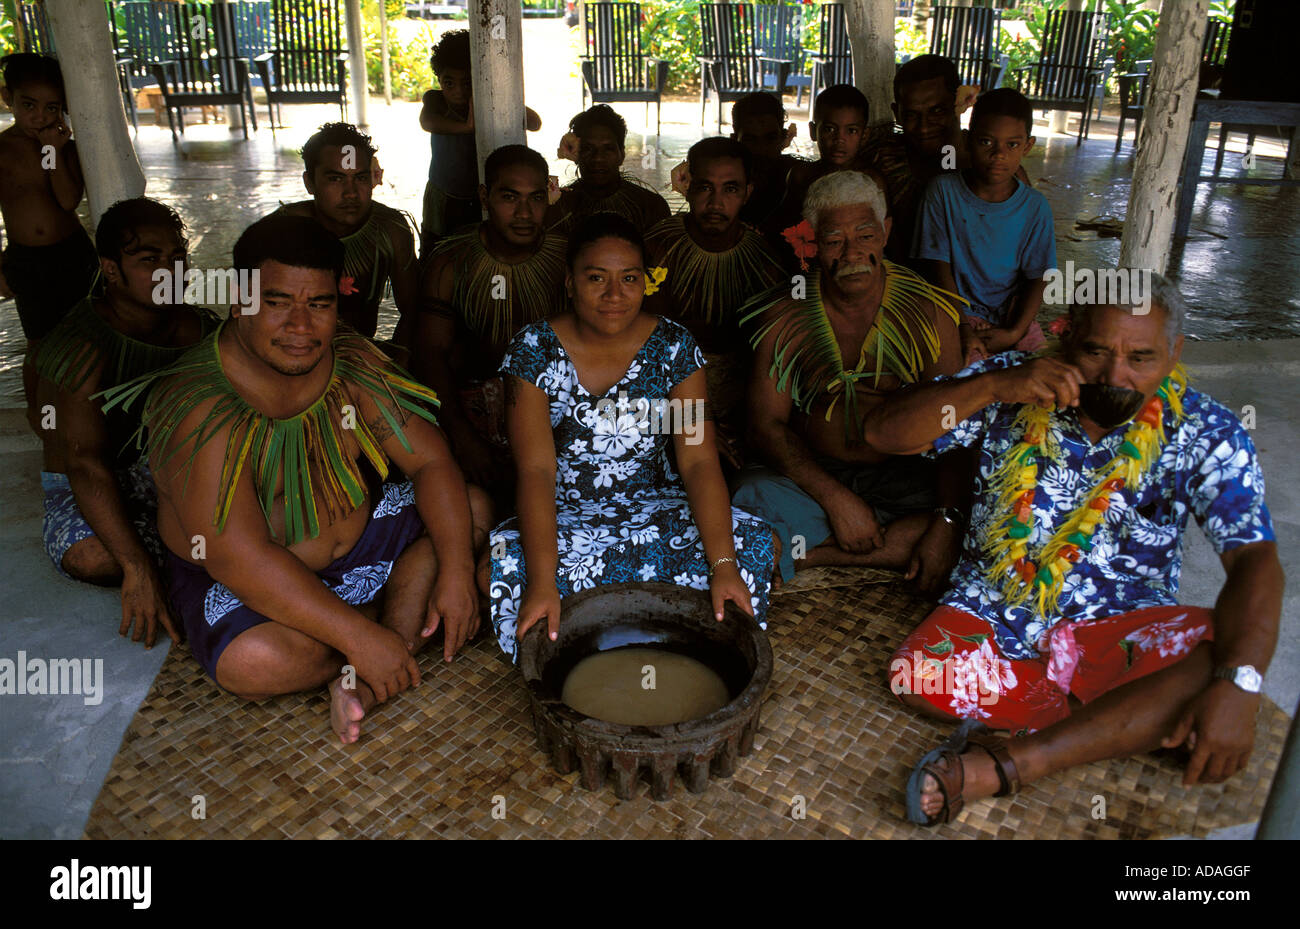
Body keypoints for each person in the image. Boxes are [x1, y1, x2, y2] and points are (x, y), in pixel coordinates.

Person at [860, 274, 1282, 827]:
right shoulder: (1007, 385)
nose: (1115, 375)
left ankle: (1008, 762)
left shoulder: (1206, 431)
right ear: (1064, 336)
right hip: (994, 616)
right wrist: (992, 388)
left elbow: (1255, 560)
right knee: (915, 676)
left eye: (1141, 356)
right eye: (1096, 350)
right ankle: (1111, 726)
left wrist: (1240, 684)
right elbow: (882, 434)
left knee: (1219, 655)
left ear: (1175, 351)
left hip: (1120, 630)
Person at [102, 215, 489, 745]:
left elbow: (430, 461)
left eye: (320, 305)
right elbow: (237, 555)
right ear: (239, 300)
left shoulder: (348, 361)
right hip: (249, 584)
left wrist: (458, 574)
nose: (301, 327)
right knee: (256, 662)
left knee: (473, 508)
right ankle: (382, 628)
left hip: (361, 546)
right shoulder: (198, 405)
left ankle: (371, 667)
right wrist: (357, 633)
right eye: (278, 302)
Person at [484, 212, 775, 662]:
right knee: (502, 571)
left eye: (630, 278)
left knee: (753, 546)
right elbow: (536, 470)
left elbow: (697, 462)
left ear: (645, 282)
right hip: (566, 518)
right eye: (596, 278)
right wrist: (544, 582)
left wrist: (723, 566)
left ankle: (663, 640)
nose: (614, 295)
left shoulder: (676, 348)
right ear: (569, 281)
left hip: (657, 509)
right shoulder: (533, 350)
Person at [733, 170, 967, 586]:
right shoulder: (785, 314)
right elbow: (764, 427)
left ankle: (811, 556)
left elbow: (952, 426)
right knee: (746, 499)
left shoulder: (929, 314)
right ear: (810, 241)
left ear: (886, 232)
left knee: (980, 515)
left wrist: (948, 520)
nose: (851, 253)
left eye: (864, 236)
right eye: (833, 240)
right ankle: (880, 543)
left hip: (906, 481)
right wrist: (836, 498)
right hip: (814, 477)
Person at [34, 198, 218, 647]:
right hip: (86, 484)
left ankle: (181, 546)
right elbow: (84, 465)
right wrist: (137, 569)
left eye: (177, 257)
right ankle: (166, 554)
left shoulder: (197, 328)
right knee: (95, 557)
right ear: (111, 270)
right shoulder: (83, 345)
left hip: (162, 473)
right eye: (149, 260)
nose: (169, 271)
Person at [413, 143, 567, 504]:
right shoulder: (451, 263)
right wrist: (463, 437)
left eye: (537, 198)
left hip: (551, 415)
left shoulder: (567, 261)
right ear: (485, 196)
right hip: (469, 415)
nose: (525, 213)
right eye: (510, 197)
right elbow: (430, 355)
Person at [643, 137, 786, 469]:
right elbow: (648, 349)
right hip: (662, 401)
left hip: (742, 409)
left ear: (748, 193)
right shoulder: (656, 247)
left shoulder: (766, 263)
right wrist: (695, 421)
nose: (716, 202)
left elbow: (769, 360)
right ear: (687, 186)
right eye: (706, 187)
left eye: (731, 189)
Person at [913, 88, 1054, 363]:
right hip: (951, 313)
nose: (998, 155)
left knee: (1040, 380)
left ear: (1028, 146)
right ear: (967, 140)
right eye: (986, 142)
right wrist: (963, 327)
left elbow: (1038, 277)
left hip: (1009, 320)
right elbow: (936, 268)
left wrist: (1014, 332)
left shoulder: (1035, 207)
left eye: (1012, 145)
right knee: (952, 377)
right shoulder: (942, 192)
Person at [0, 53, 98, 414]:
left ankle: (80, 415)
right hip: (28, 259)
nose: (39, 117)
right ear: (7, 96)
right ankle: (40, 417)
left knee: (85, 338)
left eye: (51, 107)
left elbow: (67, 200)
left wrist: (52, 152)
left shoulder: (58, 149)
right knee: (39, 343)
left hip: (71, 254)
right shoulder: (3, 150)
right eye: (29, 105)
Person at [276, 122, 419, 343]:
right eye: (336, 179)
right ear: (309, 183)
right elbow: (246, 314)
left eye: (360, 178)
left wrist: (396, 359)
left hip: (360, 355)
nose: (351, 193)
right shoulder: (279, 231)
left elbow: (415, 311)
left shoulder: (391, 229)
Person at [418, 29, 542, 254]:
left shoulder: (490, 102)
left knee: (476, 249)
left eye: (467, 83)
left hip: (478, 198)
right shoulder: (435, 101)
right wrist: (467, 127)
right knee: (435, 249)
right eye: (449, 83)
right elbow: (427, 122)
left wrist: (501, 97)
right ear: (439, 80)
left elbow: (534, 122)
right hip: (444, 195)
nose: (458, 92)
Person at [861, 55, 972, 264]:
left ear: (958, 104)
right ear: (897, 113)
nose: (924, 127)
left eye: (937, 111)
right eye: (912, 115)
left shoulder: (985, 159)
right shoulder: (880, 160)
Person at [767, 84, 881, 251]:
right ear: (813, 131)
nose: (839, 140)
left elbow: (884, 232)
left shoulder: (872, 180)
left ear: (864, 136)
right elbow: (781, 223)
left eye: (851, 131)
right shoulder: (803, 175)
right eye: (829, 129)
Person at [545, 105, 671, 236]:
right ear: (576, 154)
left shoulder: (651, 208)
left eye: (608, 148)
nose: (598, 158)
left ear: (621, 154)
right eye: (588, 148)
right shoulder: (559, 209)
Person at [729, 92, 799, 230]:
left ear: (784, 138)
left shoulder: (799, 179)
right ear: (734, 140)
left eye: (770, 138)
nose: (761, 149)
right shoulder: (724, 181)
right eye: (751, 139)